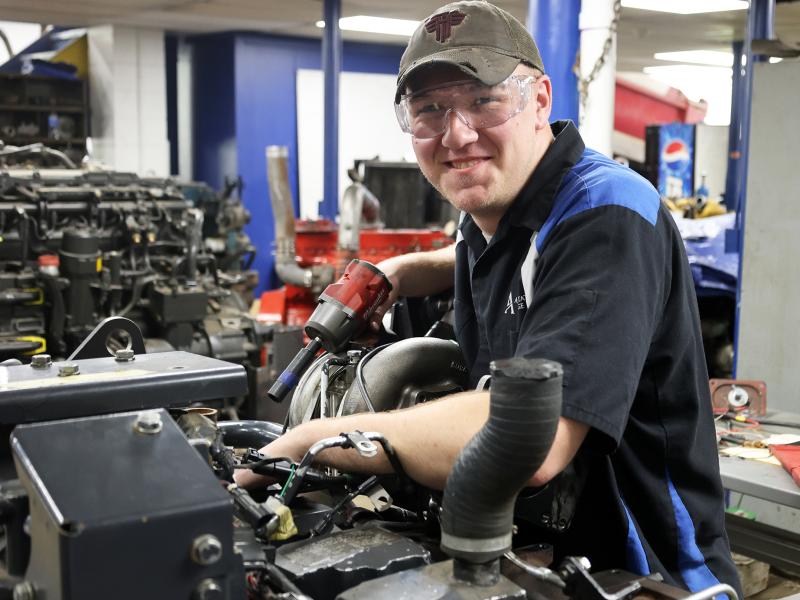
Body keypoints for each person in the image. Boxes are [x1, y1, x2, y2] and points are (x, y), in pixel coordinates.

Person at [237, 1, 741, 596]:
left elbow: (532, 438)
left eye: (485, 101)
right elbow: (517, 266)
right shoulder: (486, 217)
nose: (457, 133)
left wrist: (317, 439)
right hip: (532, 557)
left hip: (644, 575)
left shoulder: (607, 214)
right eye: (429, 110)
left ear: (541, 101)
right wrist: (403, 271)